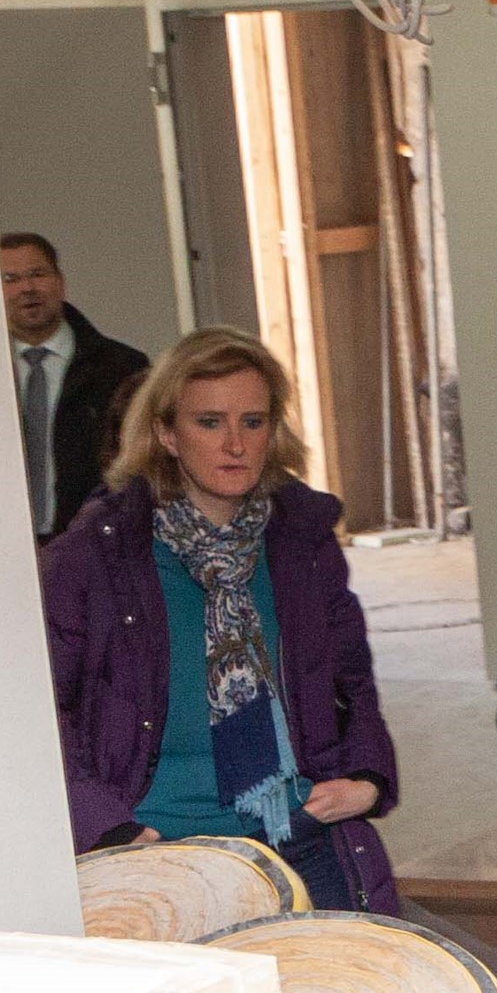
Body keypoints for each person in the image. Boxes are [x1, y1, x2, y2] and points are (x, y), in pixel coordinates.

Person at [40, 328, 403, 913]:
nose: (234, 443)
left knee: (360, 988)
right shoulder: (94, 556)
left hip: (298, 827)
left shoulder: (300, 540)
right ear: (166, 434)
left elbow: (349, 675)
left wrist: (367, 772)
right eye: (209, 422)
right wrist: (108, 827)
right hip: (160, 841)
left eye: (253, 422)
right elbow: (40, 707)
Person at [2, 231, 151, 545]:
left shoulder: (122, 368)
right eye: (10, 279)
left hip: (96, 544)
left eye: (37, 274)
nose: (26, 288)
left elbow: (143, 462)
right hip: (2, 545)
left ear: (60, 282)